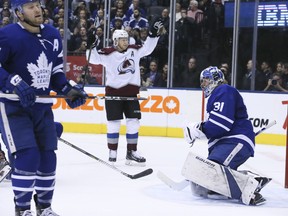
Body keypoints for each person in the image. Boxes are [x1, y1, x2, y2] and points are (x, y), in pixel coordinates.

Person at [0, 1, 88, 215]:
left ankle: (45, 208)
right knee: (28, 157)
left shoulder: (52, 34)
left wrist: (68, 89)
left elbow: (56, 72)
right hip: (13, 107)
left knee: (48, 159)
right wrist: (13, 82)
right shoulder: (7, 35)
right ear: (18, 13)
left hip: (42, 107)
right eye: (30, 7)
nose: (37, 9)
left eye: (38, 4)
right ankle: (22, 210)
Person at [183, 66, 269, 205]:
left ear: (216, 80)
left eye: (205, 80)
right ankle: (248, 177)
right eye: (202, 81)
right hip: (226, 143)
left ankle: (251, 190)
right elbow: (218, 127)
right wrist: (201, 130)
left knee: (211, 174)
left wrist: (200, 129)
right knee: (205, 187)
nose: (203, 84)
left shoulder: (224, 90)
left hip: (234, 142)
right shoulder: (217, 96)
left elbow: (221, 125)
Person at [87, 19, 166, 166]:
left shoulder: (133, 50)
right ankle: (112, 151)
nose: (126, 41)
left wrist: (153, 34)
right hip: (113, 93)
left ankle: (131, 152)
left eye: (126, 39)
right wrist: (90, 45)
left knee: (134, 123)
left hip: (131, 93)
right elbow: (92, 59)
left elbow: (148, 49)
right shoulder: (108, 53)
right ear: (116, 41)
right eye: (123, 39)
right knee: (113, 124)